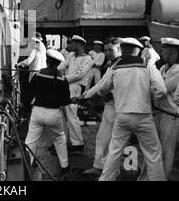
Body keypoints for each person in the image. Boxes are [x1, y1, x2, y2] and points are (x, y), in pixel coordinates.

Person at [96, 38, 167, 181]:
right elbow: (162, 90)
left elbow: (102, 89)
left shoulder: (115, 67)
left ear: (122, 50)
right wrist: (154, 99)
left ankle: (106, 179)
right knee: (153, 153)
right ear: (139, 50)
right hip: (144, 116)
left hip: (122, 115)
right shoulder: (148, 66)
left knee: (114, 151)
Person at [24, 49, 74, 178]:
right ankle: (64, 166)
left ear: (47, 60)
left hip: (37, 112)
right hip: (54, 114)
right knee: (59, 138)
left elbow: (28, 92)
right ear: (58, 64)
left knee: (30, 141)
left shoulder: (39, 75)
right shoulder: (63, 79)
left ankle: (26, 167)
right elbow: (65, 101)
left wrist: (27, 106)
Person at [138, 37, 179, 181]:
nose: (162, 53)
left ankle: (163, 178)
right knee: (152, 149)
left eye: (165, 51)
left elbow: (162, 89)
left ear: (174, 52)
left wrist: (150, 85)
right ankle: (145, 178)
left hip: (170, 116)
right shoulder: (162, 68)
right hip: (158, 113)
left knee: (167, 151)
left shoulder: (178, 70)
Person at [81, 37, 121, 178]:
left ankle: (116, 171)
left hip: (120, 108)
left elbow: (104, 87)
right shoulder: (112, 64)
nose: (108, 53)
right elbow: (102, 84)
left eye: (111, 50)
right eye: (106, 50)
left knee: (115, 142)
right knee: (103, 138)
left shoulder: (120, 66)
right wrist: (85, 96)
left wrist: (90, 96)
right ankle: (100, 167)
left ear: (119, 49)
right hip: (110, 107)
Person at [58, 35, 93, 152]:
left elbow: (80, 74)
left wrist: (64, 78)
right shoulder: (71, 56)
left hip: (76, 88)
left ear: (79, 44)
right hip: (66, 86)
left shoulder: (87, 59)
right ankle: (68, 140)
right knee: (65, 115)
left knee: (72, 115)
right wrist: (53, 71)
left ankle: (77, 143)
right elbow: (62, 66)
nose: (70, 45)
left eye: (72, 43)